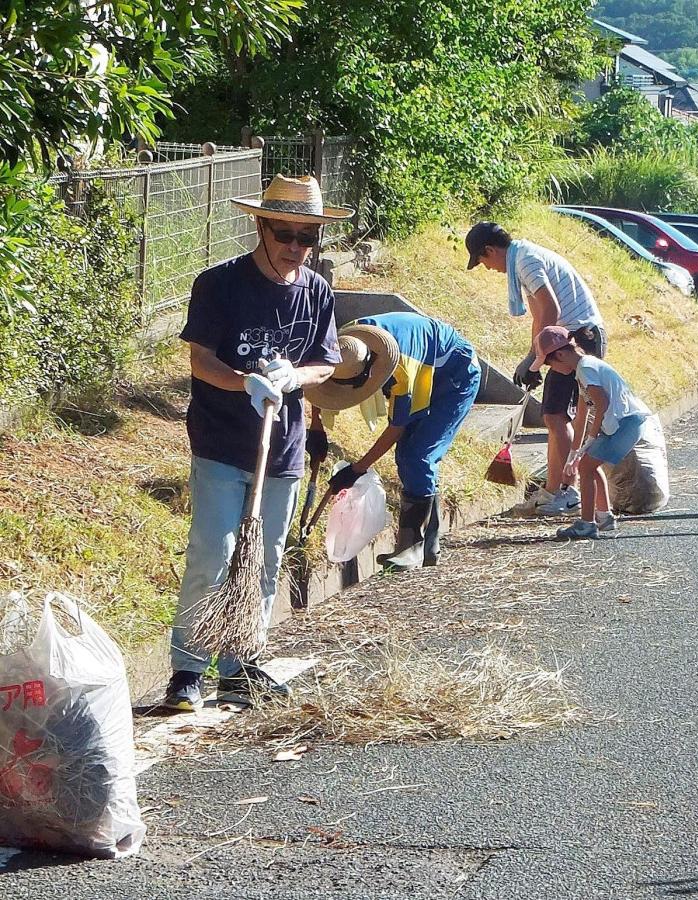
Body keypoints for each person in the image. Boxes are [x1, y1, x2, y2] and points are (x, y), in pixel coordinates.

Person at [163, 174, 353, 712]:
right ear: (262, 226)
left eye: (307, 237)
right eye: (286, 234)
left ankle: (240, 662)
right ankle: (188, 669)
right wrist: (245, 381)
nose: (296, 247)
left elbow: (326, 363)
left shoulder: (316, 290)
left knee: (264, 557)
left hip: (283, 447)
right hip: (222, 441)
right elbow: (202, 361)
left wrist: (296, 377)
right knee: (214, 552)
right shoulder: (219, 284)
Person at [306, 311, 481, 571]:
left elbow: (397, 426)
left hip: (456, 375)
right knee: (412, 458)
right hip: (428, 361)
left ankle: (413, 546)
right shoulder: (346, 345)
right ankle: (429, 545)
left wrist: (357, 469)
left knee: (416, 456)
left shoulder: (401, 370)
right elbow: (320, 387)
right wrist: (317, 429)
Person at [465, 222, 607, 517]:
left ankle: (566, 492)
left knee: (562, 417)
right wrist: (534, 358)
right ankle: (553, 492)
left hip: (580, 339)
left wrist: (535, 357)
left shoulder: (526, 261)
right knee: (553, 415)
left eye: (482, 260)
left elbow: (551, 310)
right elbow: (540, 316)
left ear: (490, 251)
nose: (487, 268)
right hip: (564, 339)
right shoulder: (522, 259)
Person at [529, 326, 652, 540]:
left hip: (626, 423)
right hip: (621, 423)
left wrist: (592, 438)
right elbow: (582, 414)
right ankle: (604, 517)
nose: (552, 369)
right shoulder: (583, 371)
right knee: (586, 463)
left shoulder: (586, 368)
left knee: (586, 467)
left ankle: (587, 524)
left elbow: (601, 402)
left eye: (549, 364)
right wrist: (574, 454)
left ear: (560, 355)